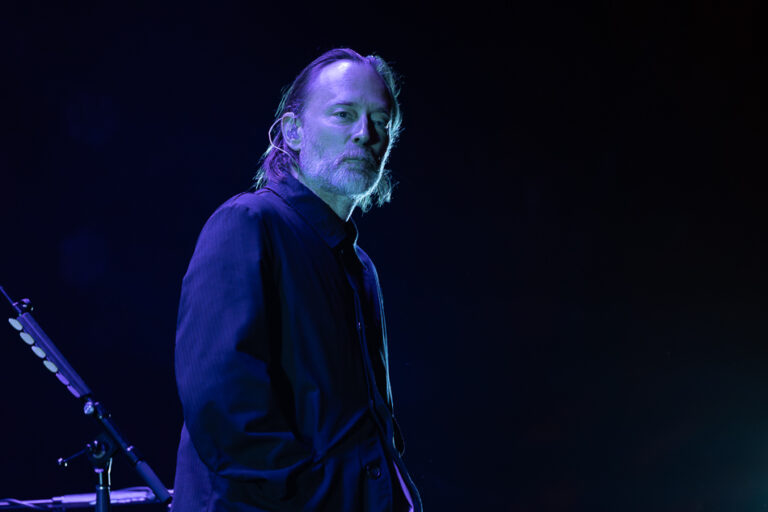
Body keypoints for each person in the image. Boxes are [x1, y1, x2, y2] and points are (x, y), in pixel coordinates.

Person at [171, 48, 422, 512]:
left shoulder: (359, 266)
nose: (365, 133)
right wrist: (312, 495)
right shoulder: (248, 222)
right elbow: (223, 407)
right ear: (292, 131)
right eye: (343, 114)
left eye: (381, 121)